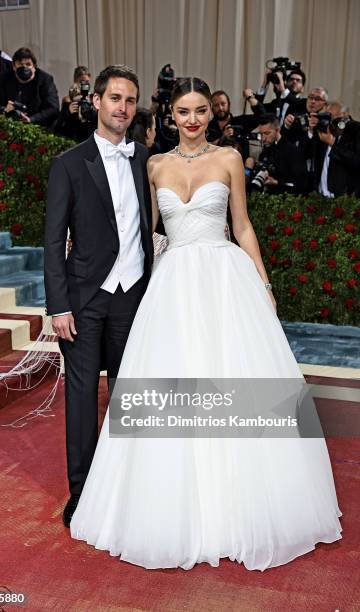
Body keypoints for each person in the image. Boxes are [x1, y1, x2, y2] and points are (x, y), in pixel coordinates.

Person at [69, 77, 342, 571]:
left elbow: (241, 224)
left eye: (200, 110)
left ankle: (243, 506)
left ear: (210, 115)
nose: (192, 119)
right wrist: (85, 248)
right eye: (183, 111)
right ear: (170, 116)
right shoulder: (154, 164)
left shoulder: (230, 158)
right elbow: (139, 229)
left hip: (224, 279)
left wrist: (262, 282)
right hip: (172, 286)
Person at [44, 65, 154, 528]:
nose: (122, 108)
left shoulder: (147, 159)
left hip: (134, 298)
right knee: (83, 400)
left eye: (130, 101)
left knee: (130, 397)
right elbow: (52, 241)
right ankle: (82, 493)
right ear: (96, 102)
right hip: (85, 302)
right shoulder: (69, 163)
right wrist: (59, 305)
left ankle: (128, 490)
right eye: (115, 99)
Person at [0, 47, 59, 127]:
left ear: (34, 67)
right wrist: (4, 109)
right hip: (9, 123)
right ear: (13, 67)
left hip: (37, 125)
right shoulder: (4, 77)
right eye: (20, 64)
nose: (24, 67)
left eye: (28, 64)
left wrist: (31, 119)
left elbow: (53, 108)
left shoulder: (45, 80)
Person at [250, 114, 309, 194]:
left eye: (267, 133)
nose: (263, 138)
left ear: (277, 130)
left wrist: (276, 182)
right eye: (261, 134)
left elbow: (302, 184)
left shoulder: (292, 151)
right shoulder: (264, 153)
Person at [53, 66, 97, 141]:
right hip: (74, 140)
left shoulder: (93, 99)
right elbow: (58, 128)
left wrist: (92, 108)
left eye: (87, 82)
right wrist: (69, 112)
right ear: (75, 81)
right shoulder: (68, 101)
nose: (84, 85)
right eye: (81, 82)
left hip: (90, 139)